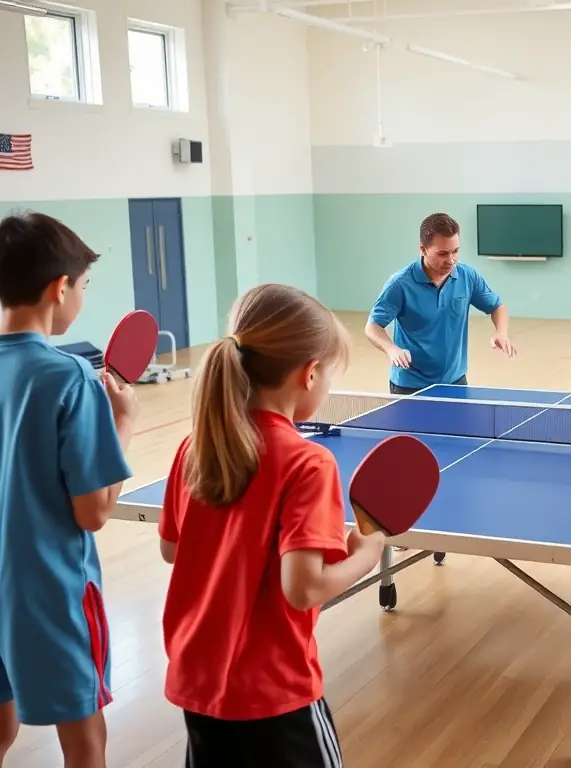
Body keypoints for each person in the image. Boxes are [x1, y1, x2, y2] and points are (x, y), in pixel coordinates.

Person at [156, 283, 388, 767]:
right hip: (274, 691)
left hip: (197, 683)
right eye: (329, 375)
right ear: (308, 375)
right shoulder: (308, 463)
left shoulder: (194, 447)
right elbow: (303, 589)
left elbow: (173, 550)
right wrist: (365, 555)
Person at [0, 212, 138, 767]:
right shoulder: (68, 376)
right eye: (83, 287)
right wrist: (122, 419)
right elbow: (94, 511)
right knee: (85, 743)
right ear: (61, 288)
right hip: (51, 592)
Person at [365, 212, 516, 395]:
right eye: (443, 253)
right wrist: (391, 349)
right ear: (423, 249)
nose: (451, 260)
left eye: (455, 251)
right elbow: (372, 327)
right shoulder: (400, 284)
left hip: (456, 380)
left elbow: (497, 307)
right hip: (410, 384)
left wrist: (501, 333)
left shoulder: (467, 276)